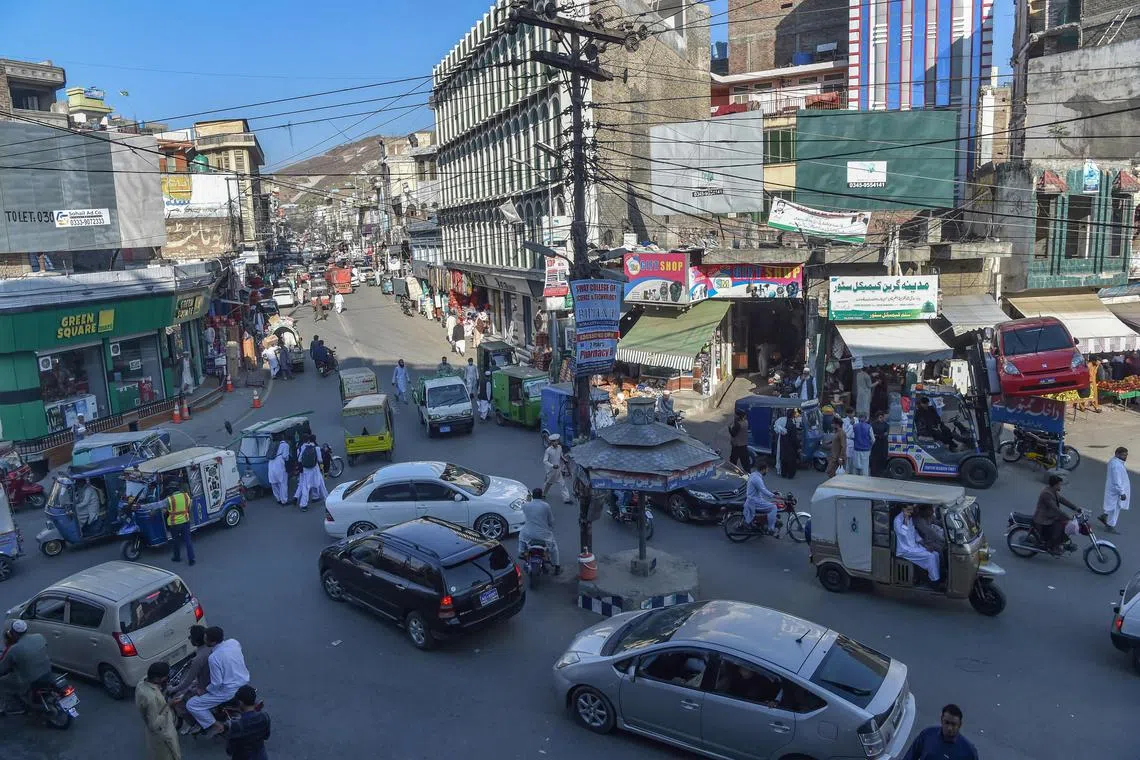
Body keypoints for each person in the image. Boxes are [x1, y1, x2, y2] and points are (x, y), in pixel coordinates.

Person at [185, 627, 250, 738]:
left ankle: (217, 726)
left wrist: (204, 690)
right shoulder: (234, 643)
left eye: (205, 638)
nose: (204, 640)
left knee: (192, 704)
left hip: (228, 691)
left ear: (213, 642)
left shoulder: (214, 658)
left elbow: (216, 683)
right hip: (244, 682)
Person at [0, 620, 52, 711]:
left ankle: (13, 707)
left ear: (13, 633)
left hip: (30, 679)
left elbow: (2, 668)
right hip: (47, 671)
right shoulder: (39, 637)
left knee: (2, 682)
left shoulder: (14, 649)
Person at [136, 661, 181, 760]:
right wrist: (169, 705)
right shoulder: (151, 698)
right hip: (163, 733)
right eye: (165, 676)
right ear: (157, 678)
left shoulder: (142, 682)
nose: (167, 678)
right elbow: (154, 725)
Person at [902, 703, 978, 760]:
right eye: (947, 723)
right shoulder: (927, 735)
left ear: (960, 725)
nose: (949, 728)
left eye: (953, 724)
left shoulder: (968, 751)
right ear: (941, 720)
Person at [894, 504, 941, 584]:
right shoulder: (897, 520)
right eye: (909, 510)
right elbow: (903, 533)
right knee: (931, 557)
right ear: (903, 509)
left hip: (914, 546)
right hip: (905, 549)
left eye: (911, 510)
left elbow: (915, 534)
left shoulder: (910, 518)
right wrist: (906, 519)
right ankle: (934, 581)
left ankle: (936, 576)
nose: (911, 512)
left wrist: (925, 545)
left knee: (935, 554)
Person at [519, 487, 560, 574]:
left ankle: (521, 551)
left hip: (528, 534)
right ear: (541, 496)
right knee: (554, 548)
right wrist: (551, 526)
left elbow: (523, 511)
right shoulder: (545, 506)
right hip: (543, 536)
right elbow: (551, 521)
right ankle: (557, 566)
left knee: (521, 536)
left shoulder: (526, 505)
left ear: (532, 496)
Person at [1034, 474, 1079, 554]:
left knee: (1064, 525)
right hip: (1043, 519)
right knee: (1060, 527)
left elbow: (1062, 500)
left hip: (1050, 516)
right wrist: (1068, 517)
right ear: (1055, 485)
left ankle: (1058, 543)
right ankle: (1053, 546)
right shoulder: (1046, 494)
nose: (1060, 486)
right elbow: (1055, 509)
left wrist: (1076, 508)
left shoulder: (1053, 491)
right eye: (1059, 485)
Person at [224, 685, 271, 760]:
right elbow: (266, 736)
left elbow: (229, 751)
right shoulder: (265, 717)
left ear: (240, 702)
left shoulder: (234, 725)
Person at [1100, 446, 1130, 534]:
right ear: (1117, 454)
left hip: (1113, 489)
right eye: (1123, 455)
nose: (1125, 457)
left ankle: (1105, 515)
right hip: (1116, 491)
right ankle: (1110, 526)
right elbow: (1117, 481)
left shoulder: (1114, 462)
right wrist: (1122, 493)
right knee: (1116, 509)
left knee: (1112, 506)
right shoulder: (1116, 465)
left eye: (1126, 455)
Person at [294, 435, 327, 512]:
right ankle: (326, 498)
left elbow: (299, 460)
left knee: (306, 487)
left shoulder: (303, 448)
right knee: (321, 485)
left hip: (306, 471)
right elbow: (320, 460)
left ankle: (303, 505)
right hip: (315, 470)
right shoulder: (317, 448)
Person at [743, 459, 777, 533]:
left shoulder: (753, 475)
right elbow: (763, 490)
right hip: (754, 501)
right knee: (774, 507)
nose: (767, 471)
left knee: (769, 503)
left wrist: (772, 492)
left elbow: (761, 489)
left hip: (754, 499)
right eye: (767, 469)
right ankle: (771, 529)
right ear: (763, 469)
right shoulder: (757, 479)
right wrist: (775, 496)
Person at [542, 434, 571, 504]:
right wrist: (552, 466)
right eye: (554, 441)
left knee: (562, 484)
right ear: (551, 442)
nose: (556, 442)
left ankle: (566, 499)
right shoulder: (548, 450)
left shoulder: (559, 447)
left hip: (558, 470)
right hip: (551, 471)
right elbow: (545, 461)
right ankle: (543, 494)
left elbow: (561, 455)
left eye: (557, 441)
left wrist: (564, 460)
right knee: (548, 483)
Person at [267, 440, 291, 506]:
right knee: (283, 483)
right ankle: (284, 501)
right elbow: (285, 457)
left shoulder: (272, 444)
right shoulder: (285, 445)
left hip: (271, 464)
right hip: (279, 465)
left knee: (274, 483)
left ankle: (278, 499)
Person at [780, 410, 799, 479]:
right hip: (790, 446)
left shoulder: (783, 423)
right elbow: (794, 438)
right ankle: (790, 475)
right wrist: (798, 446)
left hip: (783, 444)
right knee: (791, 461)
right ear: (793, 415)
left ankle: (783, 473)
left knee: (784, 460)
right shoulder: (792, 425)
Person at [871, 410, 890, 475]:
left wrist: (878, 435)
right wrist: (879, 435)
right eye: (880, 417)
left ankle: (881, 472)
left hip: (883, 444)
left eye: (882, 417)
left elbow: (886, 433)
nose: (881, 419)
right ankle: (874, 472)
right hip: (875, 444)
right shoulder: (873, 424)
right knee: (875, 459)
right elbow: (872, 434)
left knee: (883, 458)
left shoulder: (886, 425)